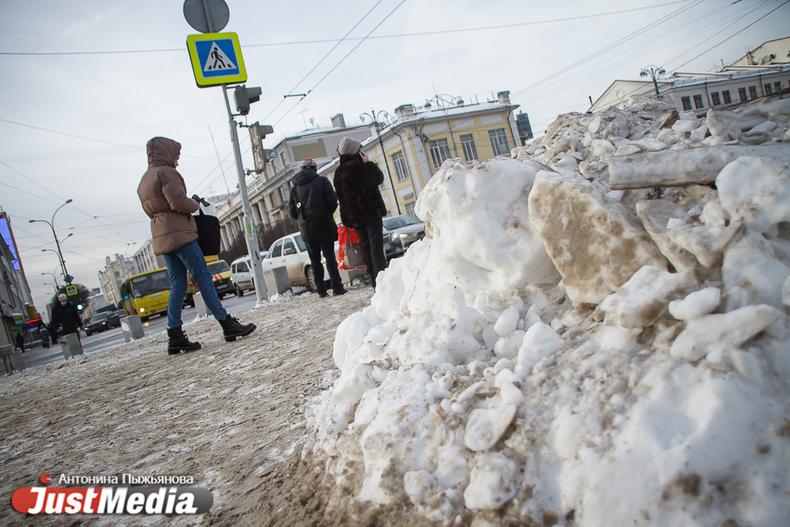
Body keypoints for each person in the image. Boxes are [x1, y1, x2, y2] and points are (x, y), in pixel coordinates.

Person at [137, 136, 256, 355]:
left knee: (177, 284)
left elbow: (154, 208)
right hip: (180, 234)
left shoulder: (144, 180)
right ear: (166, 152)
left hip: (161, 236)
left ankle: (174, 334)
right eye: (176, 155)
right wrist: (195, 204)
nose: (178, 160)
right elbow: (178, 203)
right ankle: (227, 323)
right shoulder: (166, 173)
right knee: (202, 277)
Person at [333, 137, 388, 288]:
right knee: (376, 246)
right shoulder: (360, 167)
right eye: (359, 149)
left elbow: (341, 197)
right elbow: (378, 178)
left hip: (355, 217)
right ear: (354, 151)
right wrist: (368, 163)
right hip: (370, 212)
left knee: (366, 247)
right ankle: (381, 281)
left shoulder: (338, 173)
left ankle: (374, 279)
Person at [289, 159, 347, 298]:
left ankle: (321, 290)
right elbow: (333, 202)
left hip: (307, 229)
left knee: (314, 260)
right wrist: (325, 213)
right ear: (314, 169)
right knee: (329, 257)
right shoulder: (322, 181)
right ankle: (337, 287)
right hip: (324, 224)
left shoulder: (295, 188)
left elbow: (292, 212)